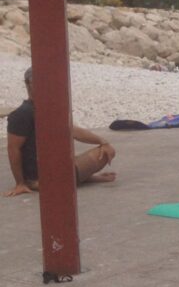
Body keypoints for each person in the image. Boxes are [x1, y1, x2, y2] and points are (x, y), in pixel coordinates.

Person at [5, 67, 117, 196]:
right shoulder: (22, 113)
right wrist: (20, 183)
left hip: (54, 167)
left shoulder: (46, 109)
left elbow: (73, 131)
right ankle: (77, 178)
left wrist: (103, 142)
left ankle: (85, 177)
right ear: (28, 84)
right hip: (40, 176)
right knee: (104, 153)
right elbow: (13, 149)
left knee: (106, 149)